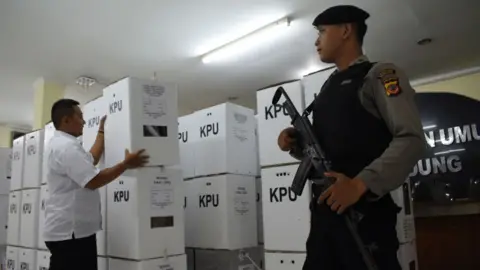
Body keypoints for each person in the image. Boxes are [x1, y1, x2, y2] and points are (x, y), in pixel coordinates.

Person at [277, 5, 426, 270]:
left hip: (364, 217)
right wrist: (296, 143)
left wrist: (360, 184)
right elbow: (329, 148)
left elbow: (411, 139)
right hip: (326, 217)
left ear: (346, 30)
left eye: (322, 31)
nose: (316, 40)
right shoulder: (328, 86)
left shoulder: (379, 75)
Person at [43, 99, 149, 270]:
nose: (84, 121)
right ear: (66, 120)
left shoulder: (67, 145)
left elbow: (91, 160)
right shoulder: (65, 148)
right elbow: (93, 181)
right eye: (80, 116)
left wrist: (101, 131)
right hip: (70, 235)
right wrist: (126, 165)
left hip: (72, 233)